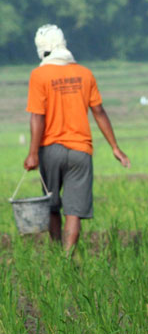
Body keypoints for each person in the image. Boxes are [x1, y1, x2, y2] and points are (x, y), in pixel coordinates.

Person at [23, 24, 130, 251]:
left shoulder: (39, 75)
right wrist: (115, 147)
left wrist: (33, 154)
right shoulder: (85, 73)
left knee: (52, 205)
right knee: (74, 210)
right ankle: (67, 256)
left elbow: (37, 117)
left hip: (50, 149)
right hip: (81, 150)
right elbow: (99, 112)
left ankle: (55, 252)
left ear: (42, 49)